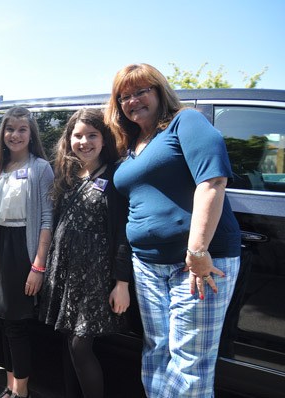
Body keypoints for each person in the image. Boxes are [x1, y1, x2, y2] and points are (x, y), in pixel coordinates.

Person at [106, 63, 240, 398]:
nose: (133, 100)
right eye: (125, 97)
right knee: (156, 351)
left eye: (142, 91)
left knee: (189, 363)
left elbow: (213, 181)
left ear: (159, 91)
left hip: (197, 264)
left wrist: (197, 251)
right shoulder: (131, 144)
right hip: (148, 264)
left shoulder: (186, 121)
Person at [38, 108, 131, 398]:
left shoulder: (117, 177)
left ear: (105, 139)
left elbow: (125, 231)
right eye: (78, 135)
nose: (85, 142)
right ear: (69, 139)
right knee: (68, 341)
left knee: (80, 344)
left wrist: (122, 282)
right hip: (66, 271)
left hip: (96, 276)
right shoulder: (67, 173)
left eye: (92, 135)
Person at [0, 107, 53, 398]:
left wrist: (38, 265)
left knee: (16, 326)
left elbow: (48, 219)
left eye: (22, 129)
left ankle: (21, 392)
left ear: (31, 134)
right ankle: (10, 386)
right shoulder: (0, 167)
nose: (15, 135)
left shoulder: (40, 168)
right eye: (10, 129)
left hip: (21, 250)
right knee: (3, 323)